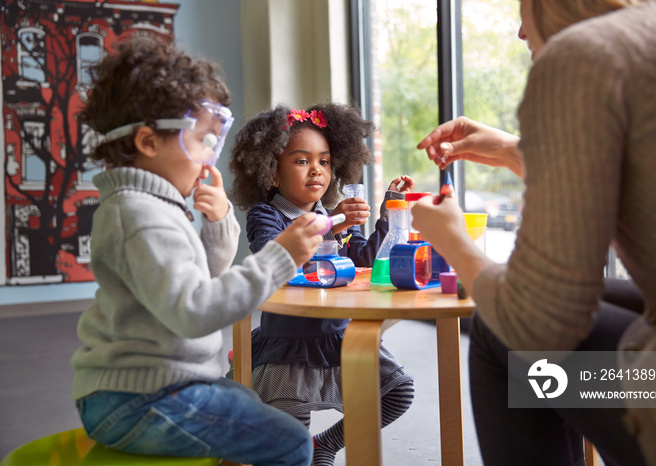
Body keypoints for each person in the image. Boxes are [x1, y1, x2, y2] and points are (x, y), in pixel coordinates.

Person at [413, 1, 656, 465]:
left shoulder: (582, 55)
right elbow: (650, 182)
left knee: (501, 329)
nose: (521, 33)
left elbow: (537, 322)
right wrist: (511, 150)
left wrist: (451, 239)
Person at [71, 38, 325, 466]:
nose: (210, 159)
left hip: (158, 385)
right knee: (290, 440)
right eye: (203, 142)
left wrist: (220, 219)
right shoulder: (140, 216)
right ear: (149, 142)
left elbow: (206, 274)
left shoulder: (150, 206)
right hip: (140, 397)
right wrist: (281, 256)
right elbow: (196, 310)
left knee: (250, 403)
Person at [229, 103, 415, 466]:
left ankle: (325, 444)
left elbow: (366, 261)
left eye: (325, 161)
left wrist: (390, 210)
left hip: (338, 339)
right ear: (271, 172)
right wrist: (335, 226)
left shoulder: (328, 215)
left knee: (399, 393)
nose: (316, 170)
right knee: (292, 442)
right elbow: (276, 255)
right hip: (289, 346)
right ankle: (302, 449)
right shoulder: (266, 214)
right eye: (301, 161)